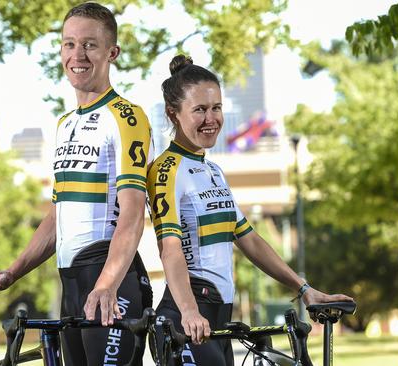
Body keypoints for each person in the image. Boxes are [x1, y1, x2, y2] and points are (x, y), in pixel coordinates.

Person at [0, 3, 154, 365]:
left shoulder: (128, 117)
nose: (77, 55)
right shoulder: (64, 124)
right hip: (71, 284)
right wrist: (12, 272)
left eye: (89, 45)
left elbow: (133, 214)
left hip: (109, 277)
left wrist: (107, 283)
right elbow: (58, 218)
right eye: (69, 44)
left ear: (112, 52)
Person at [147, 54, 353, 365]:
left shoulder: (214, 171)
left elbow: (250, 240)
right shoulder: (165, 170)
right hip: (186, 316)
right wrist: (189, 310)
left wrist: (305, 289)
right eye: (199, 110)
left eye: (216, 108)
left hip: (218, 315)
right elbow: (170, 249)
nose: (211, 118)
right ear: (173, 113)